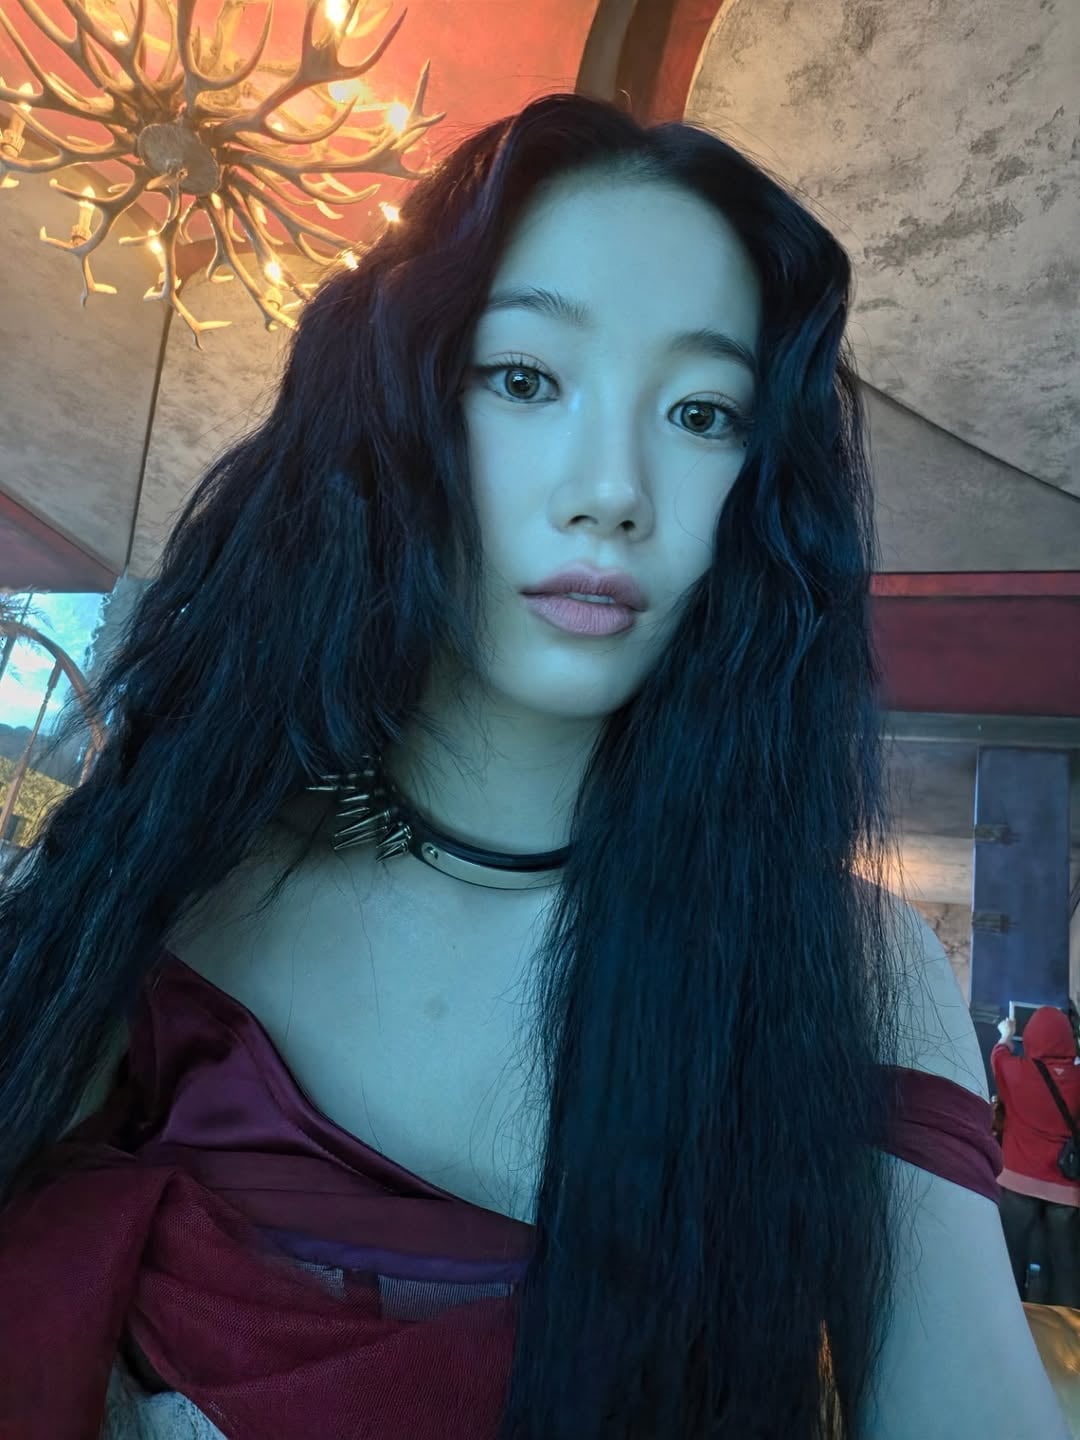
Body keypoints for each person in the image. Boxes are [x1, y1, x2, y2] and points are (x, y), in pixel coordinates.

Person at [0, 94, 1067, 1440]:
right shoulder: (172, 891)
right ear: (396, 414)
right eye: (523, 379)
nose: (611, 490)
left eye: (702, 412)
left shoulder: (841, 965)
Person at [994, 1007, 1080, 1307]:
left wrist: (1006, 1035)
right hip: (1065, 1192)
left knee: (1009, 1263)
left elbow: (998, 1057)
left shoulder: (1016, 1072)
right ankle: (1070, 1329)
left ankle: (1009, 1321)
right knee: (1066, 1271)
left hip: (1018, 1184)